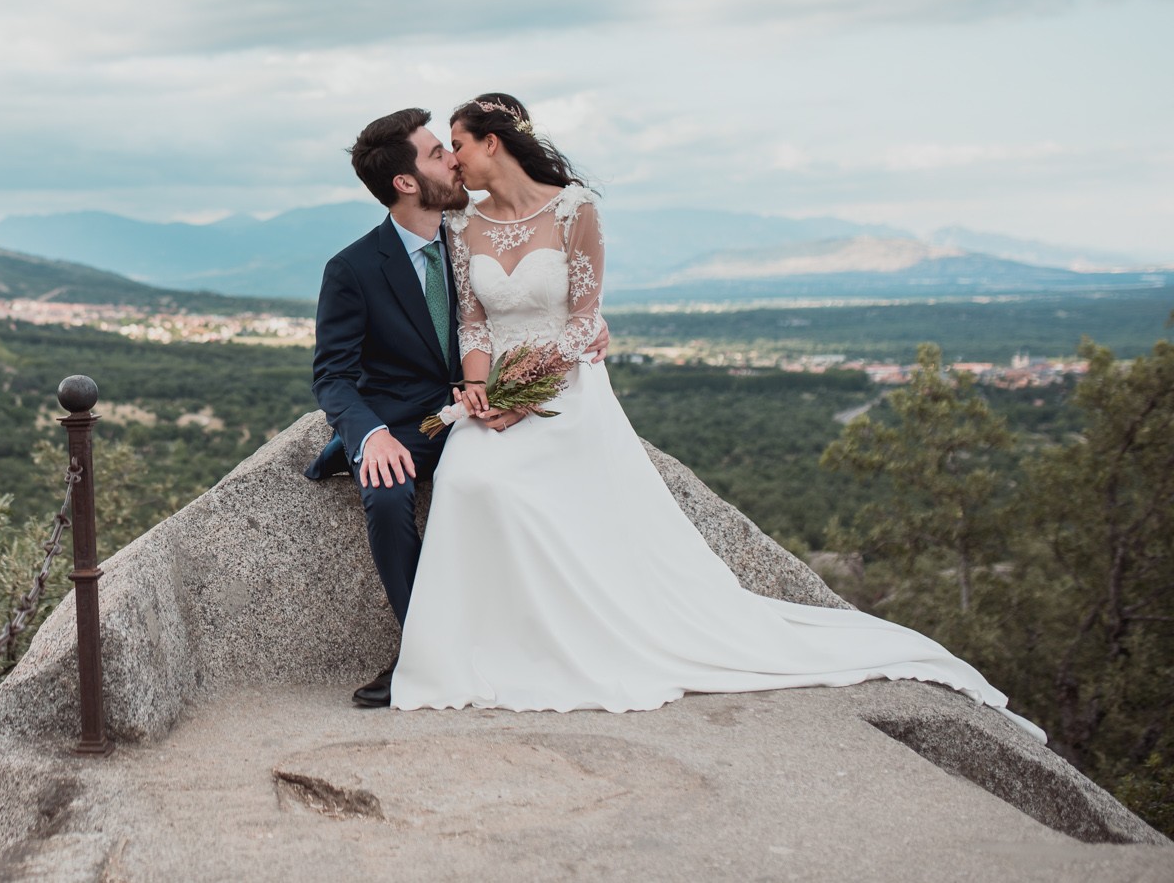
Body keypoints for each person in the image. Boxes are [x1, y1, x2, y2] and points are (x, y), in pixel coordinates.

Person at [386, 92, 1041, 740]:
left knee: (517, 487)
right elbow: (473, 319)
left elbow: (585, 320)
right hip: (493, 390)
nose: (455, 161)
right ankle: (478, 652)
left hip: (566, 393)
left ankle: (572, 643)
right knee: (469, 479)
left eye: (460, 144)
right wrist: (480, 392)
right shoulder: (462, 224)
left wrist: (525, 393)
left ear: (491, 143)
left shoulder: (574, 209)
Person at [304, 107, 607, 708]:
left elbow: (545, 298)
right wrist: (370, 437)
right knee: (387, 495)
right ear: (407, 183)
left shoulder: (475, 229)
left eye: (451, 146)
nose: (453, 158)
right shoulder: (352, 270)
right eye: (437, 152)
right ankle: (423, 652)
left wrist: (591, 331)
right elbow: (332, 376)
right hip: (409, 422)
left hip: (496, 405)